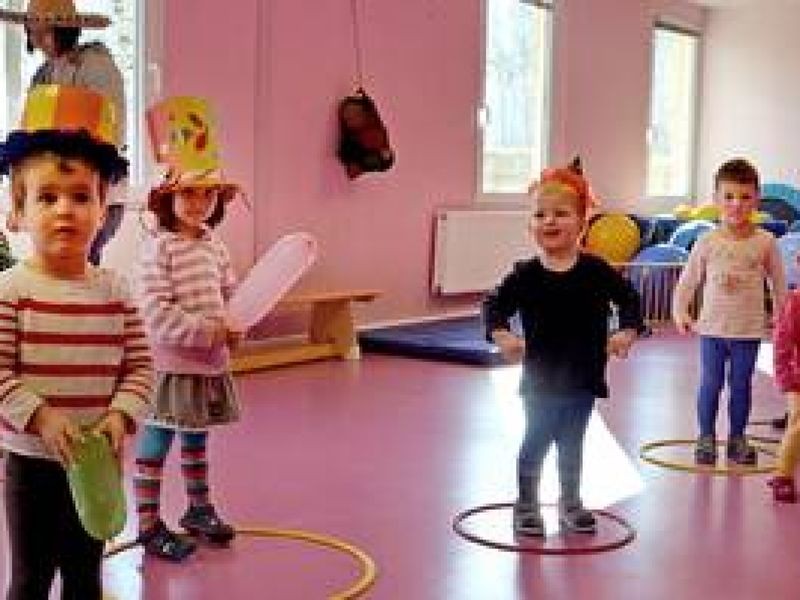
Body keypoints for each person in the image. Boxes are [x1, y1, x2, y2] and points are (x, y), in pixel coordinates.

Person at [0, 84, 152, 599]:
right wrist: (41, 417)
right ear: (18, 211)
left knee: (85, 577)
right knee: (30, 579)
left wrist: (120, 415)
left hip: (95, 463)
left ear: (103, 208)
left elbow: (139, 367)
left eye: (81, 196)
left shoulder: (116, 291)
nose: (65, 209)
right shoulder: (11, 291)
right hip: (30, 463)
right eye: (47, 197)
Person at [482, 157, 643, 537]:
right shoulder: (526, 275)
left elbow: (630, 299)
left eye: (561, 214)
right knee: (536, 442)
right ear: (530, 226)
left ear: (582, 223)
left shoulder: (596, 271)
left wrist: (628, 331)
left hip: (583, 378)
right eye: (540, 215)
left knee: (572, 445)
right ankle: (526, 504)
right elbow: (494, 305)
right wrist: (501, 334)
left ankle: (570, 502)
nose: (549, 221)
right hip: (541, 380)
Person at [133, 96, 244, 561]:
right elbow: (155, 312)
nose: (199, 203)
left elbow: (230, 299)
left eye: (208, 194)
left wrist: (233, 328)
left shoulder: (216, 247)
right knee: (158, 438)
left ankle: (198, 510)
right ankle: (147, 523)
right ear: (167, 198)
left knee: (197, 436)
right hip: (171, 365)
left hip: (208, 364)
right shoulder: (159, 248)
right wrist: (205, 332)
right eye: (189, 193)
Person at [673, 158, 786, 466]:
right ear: (716, 199)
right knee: (710, 383)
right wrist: (680, 310)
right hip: (712, 329)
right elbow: (688, 281)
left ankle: (737, 438)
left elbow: (778, 284)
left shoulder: (765, 242)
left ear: (757, 199)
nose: (737, 204)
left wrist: (782, 318)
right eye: (729, 197)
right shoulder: (706, 242)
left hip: (748, 330)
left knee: (741, 385)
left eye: (745, 197)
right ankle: (706, 437)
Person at [0, 0, 127, 266]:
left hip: (92, 186)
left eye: (43, 31)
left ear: (62, 30)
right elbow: (31, 136)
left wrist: (97, 183)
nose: (36, 39)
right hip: (54, 184)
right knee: (57, 267)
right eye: (32, 30)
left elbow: (110, 131)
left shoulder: (95, 66)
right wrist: (18, 200)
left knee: (77, 268)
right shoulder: (43, 75)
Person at [768, 290, 800, 502]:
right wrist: (785, 376)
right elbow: (782, 341)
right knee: (798, 422)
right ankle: (783, 476)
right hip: (797, 376)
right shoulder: (796, 301)